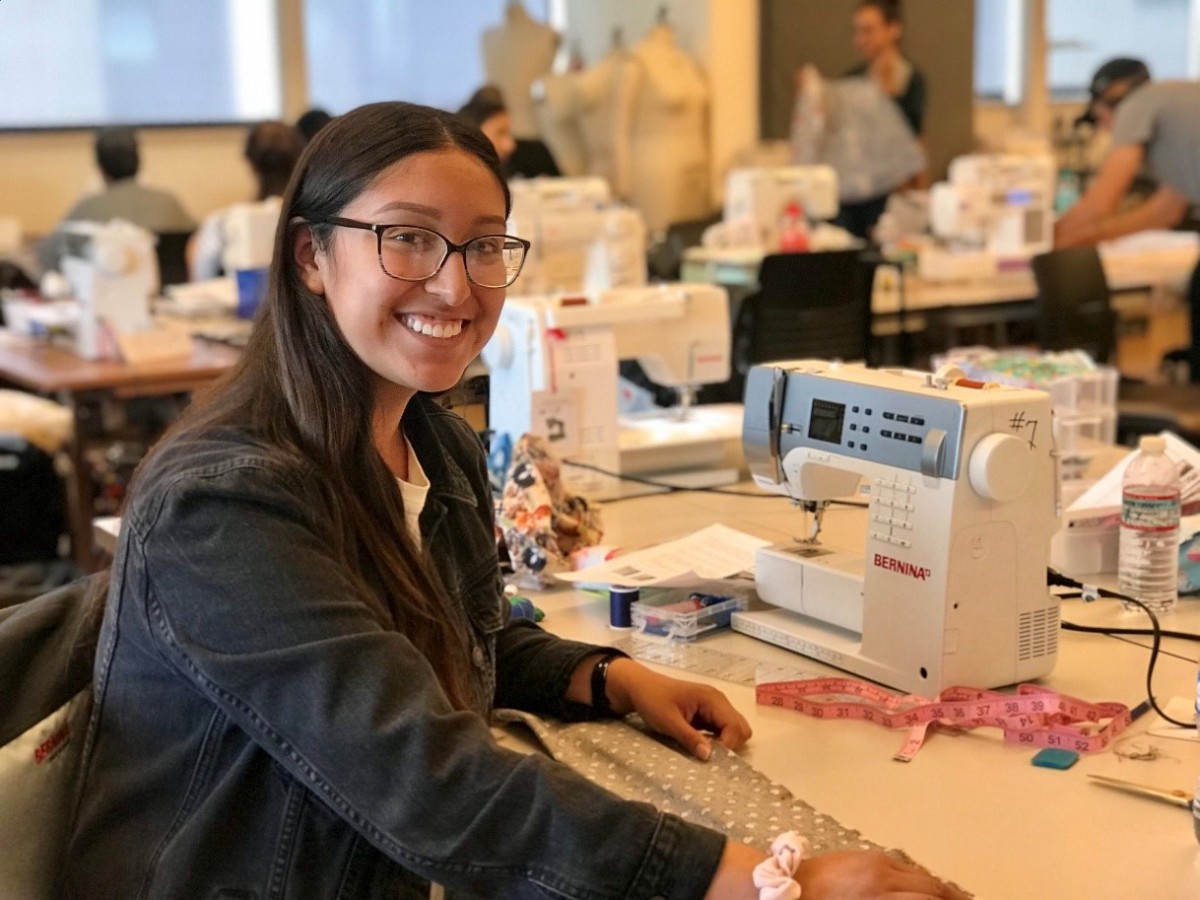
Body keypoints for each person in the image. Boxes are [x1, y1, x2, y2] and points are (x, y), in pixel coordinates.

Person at [61, 101, 963, 900]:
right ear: (311, 255)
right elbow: (426, 781)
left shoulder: (433, 443)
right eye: (408, 237)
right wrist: (770, 881)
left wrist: (604, 676)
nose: (456, 286)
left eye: (485, 244)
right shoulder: (225, 506)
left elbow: (455, 630)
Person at [1055, 58, 1200, 379]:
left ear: (1110, 101)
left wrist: (1051, 238)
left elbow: (1101, 202)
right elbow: (1166, 210)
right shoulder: (1177, 103)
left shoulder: (1137, 104)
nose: (1108, 130)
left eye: (1100, 119)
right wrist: (1087, 237)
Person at [37, 127, 194, 273]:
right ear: (138, 160)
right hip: (166, 297)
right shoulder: (169, 202)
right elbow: (198, 247)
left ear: (100, 166)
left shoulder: (88, 207)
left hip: (106, 298)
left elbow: (47, 259)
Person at [834, 0, 927, 239]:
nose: (861, 38)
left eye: (869, 30)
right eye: (857, 31)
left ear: (893, 29)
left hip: (891, 188)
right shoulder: (853, 79)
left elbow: (911, 137)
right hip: (853, 188)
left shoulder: (912, 80)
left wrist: (888, 97)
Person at [187, 120, 304, 280]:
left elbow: (201, 283)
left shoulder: (220, 224)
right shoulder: (311, 222)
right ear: (300, 159)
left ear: (250, 162)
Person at [458, 86, 561, 178]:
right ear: (475, 133)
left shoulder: (533, 154)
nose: (510, 145)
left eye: (508, 132)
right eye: (500, 132)